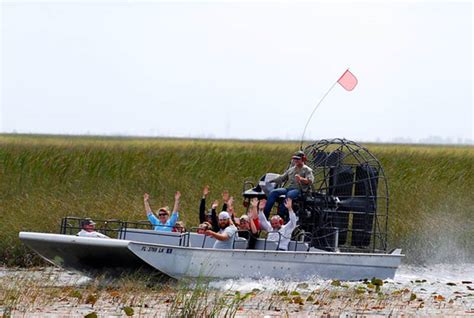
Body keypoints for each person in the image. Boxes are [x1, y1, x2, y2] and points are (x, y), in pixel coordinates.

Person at [263, 150, 314, 219]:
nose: (295, 161)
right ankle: (265, 215)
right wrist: (271, 180)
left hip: (300, 190)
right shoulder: (291, 169)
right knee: (274, 192)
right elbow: (282, 178)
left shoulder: (307, 170)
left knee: (289, 195)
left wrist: (301, 179)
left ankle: (280, 215)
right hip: (289, 188)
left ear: (303, 159)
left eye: (297, 159)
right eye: (294, 159)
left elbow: (310, 181)